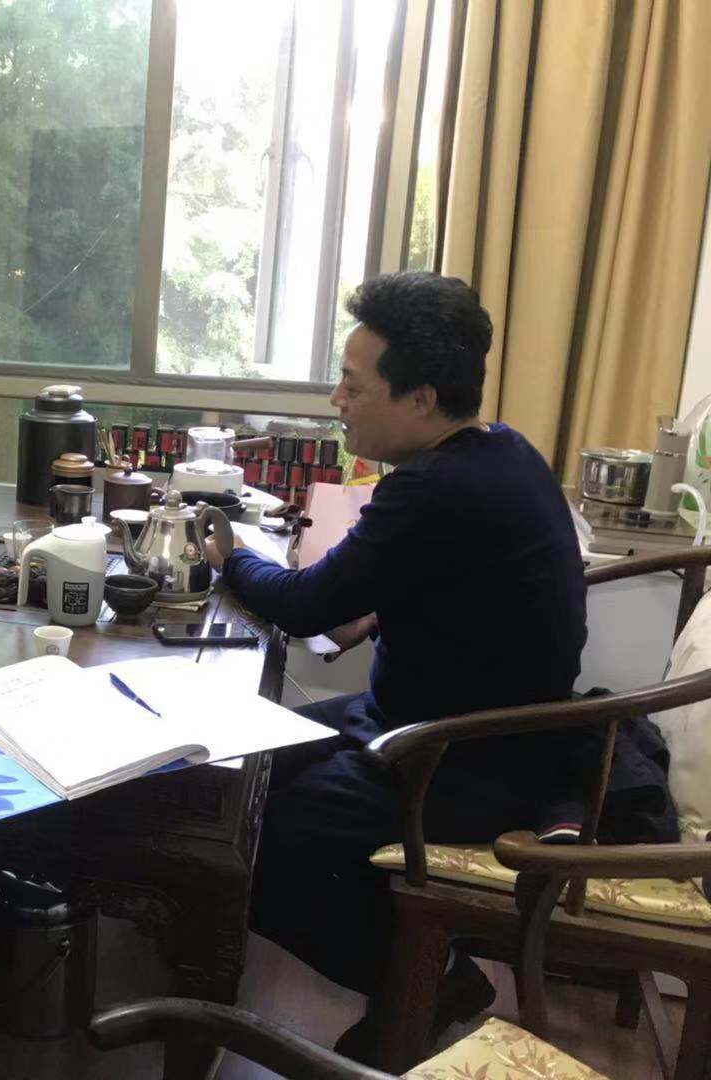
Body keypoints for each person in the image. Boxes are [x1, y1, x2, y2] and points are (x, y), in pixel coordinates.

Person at [218, 272, 591, 1045]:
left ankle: (424, 989)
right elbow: (476, 592)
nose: (337, 400)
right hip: (449, 723)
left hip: (463, 756)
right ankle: (412, 972)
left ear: (420, 398)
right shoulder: (503, 452)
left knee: (252, 844)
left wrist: (230, 556)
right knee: (245, 768)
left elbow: (302, 604)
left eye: (354, 386)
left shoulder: (433, 488)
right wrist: (385, 611)